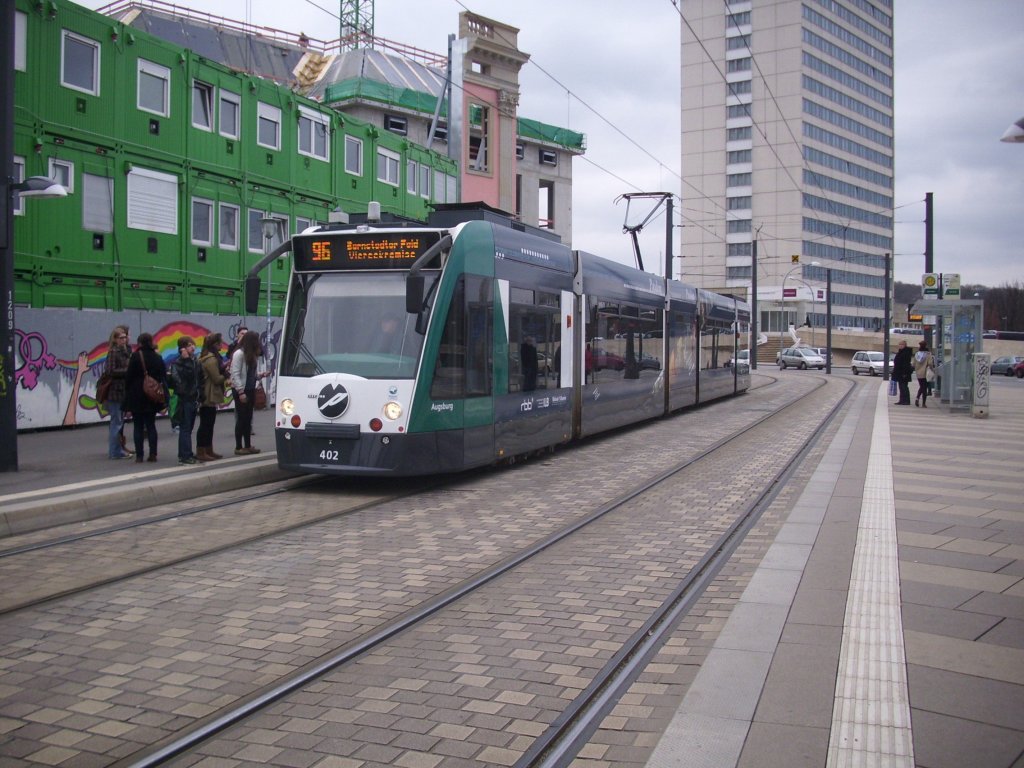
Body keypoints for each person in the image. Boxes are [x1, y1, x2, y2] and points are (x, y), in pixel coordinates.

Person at [124, 332, 167, 462]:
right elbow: (163, 376)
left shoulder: (135, 356)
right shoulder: (157, 357)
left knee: (138, 426)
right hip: (151, 395)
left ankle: (139, 455)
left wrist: (129, 392)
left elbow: (129, 376)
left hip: (137, 394)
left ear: (140, 343)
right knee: (151, 425)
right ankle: (153, 454)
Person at [229, 330, 267, 455]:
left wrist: (260, 376)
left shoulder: (251, 355)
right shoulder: (239, 354)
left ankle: (248, 445)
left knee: (248, 418)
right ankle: (239, 446)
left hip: (250, 389)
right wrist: (240, 391)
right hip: (241, 390)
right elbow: (235, 374)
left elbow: (250, 373)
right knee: (241, 418)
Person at [168, 336, 201, 464]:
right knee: (185, 428)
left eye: (193, 344)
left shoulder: (194, 361)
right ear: (182, 348)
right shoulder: (178, 363)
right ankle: (185, 455)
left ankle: (186, 453)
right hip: (185, 399)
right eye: (189, 345)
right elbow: (183, 380)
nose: (193, 347)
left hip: (193, 398)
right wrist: (186, 361)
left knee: (189, 427)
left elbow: (199, 378)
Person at [197, 333, 228, 462]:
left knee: (208, 424)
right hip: (209, 395)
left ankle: (207, 450)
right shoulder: (211, 359)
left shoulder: (207, 357)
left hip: (208, 395)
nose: (222, 344)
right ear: (215, 344)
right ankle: (202, 450)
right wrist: (226, 375)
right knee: (206, 424)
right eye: (220, 342)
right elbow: (216, 379)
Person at [103, 325, 133, 459]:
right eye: (121, 338)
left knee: (119, 422)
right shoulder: (113, 352)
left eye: (125, 338)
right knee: (116, 422)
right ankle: (114, 452)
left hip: (122, 390)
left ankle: (118, 449)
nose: (124, 340)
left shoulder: (124, 351)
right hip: (115, 390)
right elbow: (110, 371)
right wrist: (127, 371)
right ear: (115, 339)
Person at [913, 340, 935, 408]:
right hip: (926, 373)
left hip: (918, 373)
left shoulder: (917, 354)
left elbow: (913, 364)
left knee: (922, 386)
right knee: (924, 387)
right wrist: (932, 370)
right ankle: (923, 403)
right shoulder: (928, 354)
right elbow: (930, 363)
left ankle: (917, 398)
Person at [892, 339, 914, 406]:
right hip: (899, 372)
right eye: (899, 344)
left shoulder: (906, 353)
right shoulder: (900, 352)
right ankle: (902, 400)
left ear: (905, 345)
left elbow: (905, 364)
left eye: (901, 344)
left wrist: (904, 373)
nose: (900, 346)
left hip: (904, 373)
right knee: (901, 387)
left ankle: (906, 400)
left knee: (904, 387)